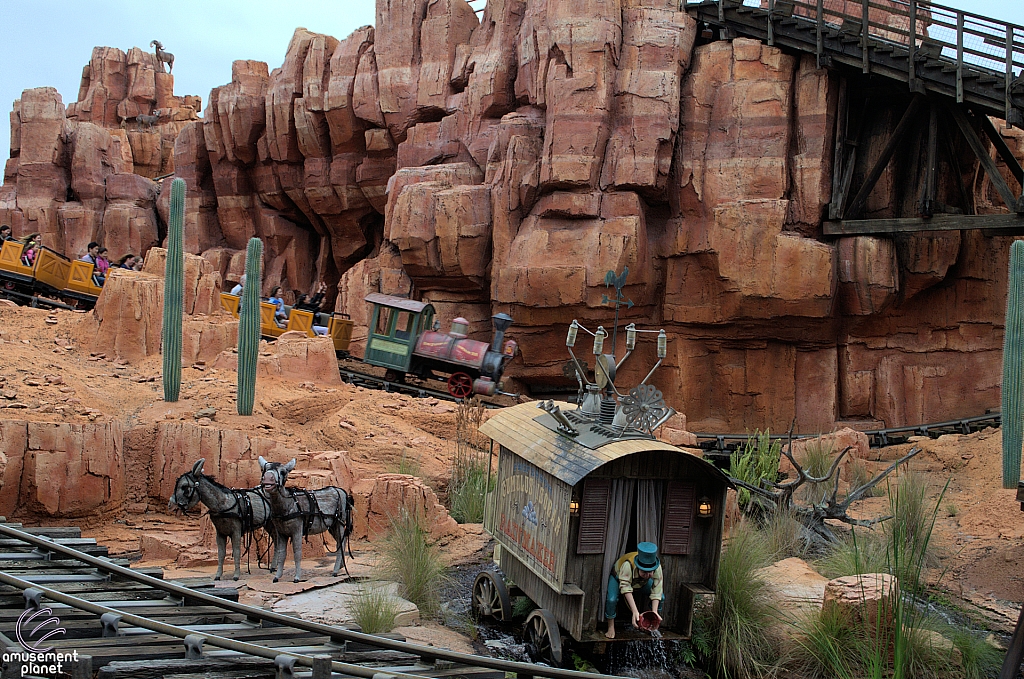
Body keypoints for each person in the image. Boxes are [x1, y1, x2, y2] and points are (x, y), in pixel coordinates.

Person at [605, 542, 664, 639]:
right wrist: (635, 611)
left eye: (650, 572)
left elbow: (657, 590)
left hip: (640, 583)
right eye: (644, 572)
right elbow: (626, 588)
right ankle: (610, 626)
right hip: (619, 578)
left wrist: (654, 612)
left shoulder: (657, 567)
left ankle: (650, 622)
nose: (648, 575)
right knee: (611, 600)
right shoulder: (628, 565)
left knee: (661, 597)